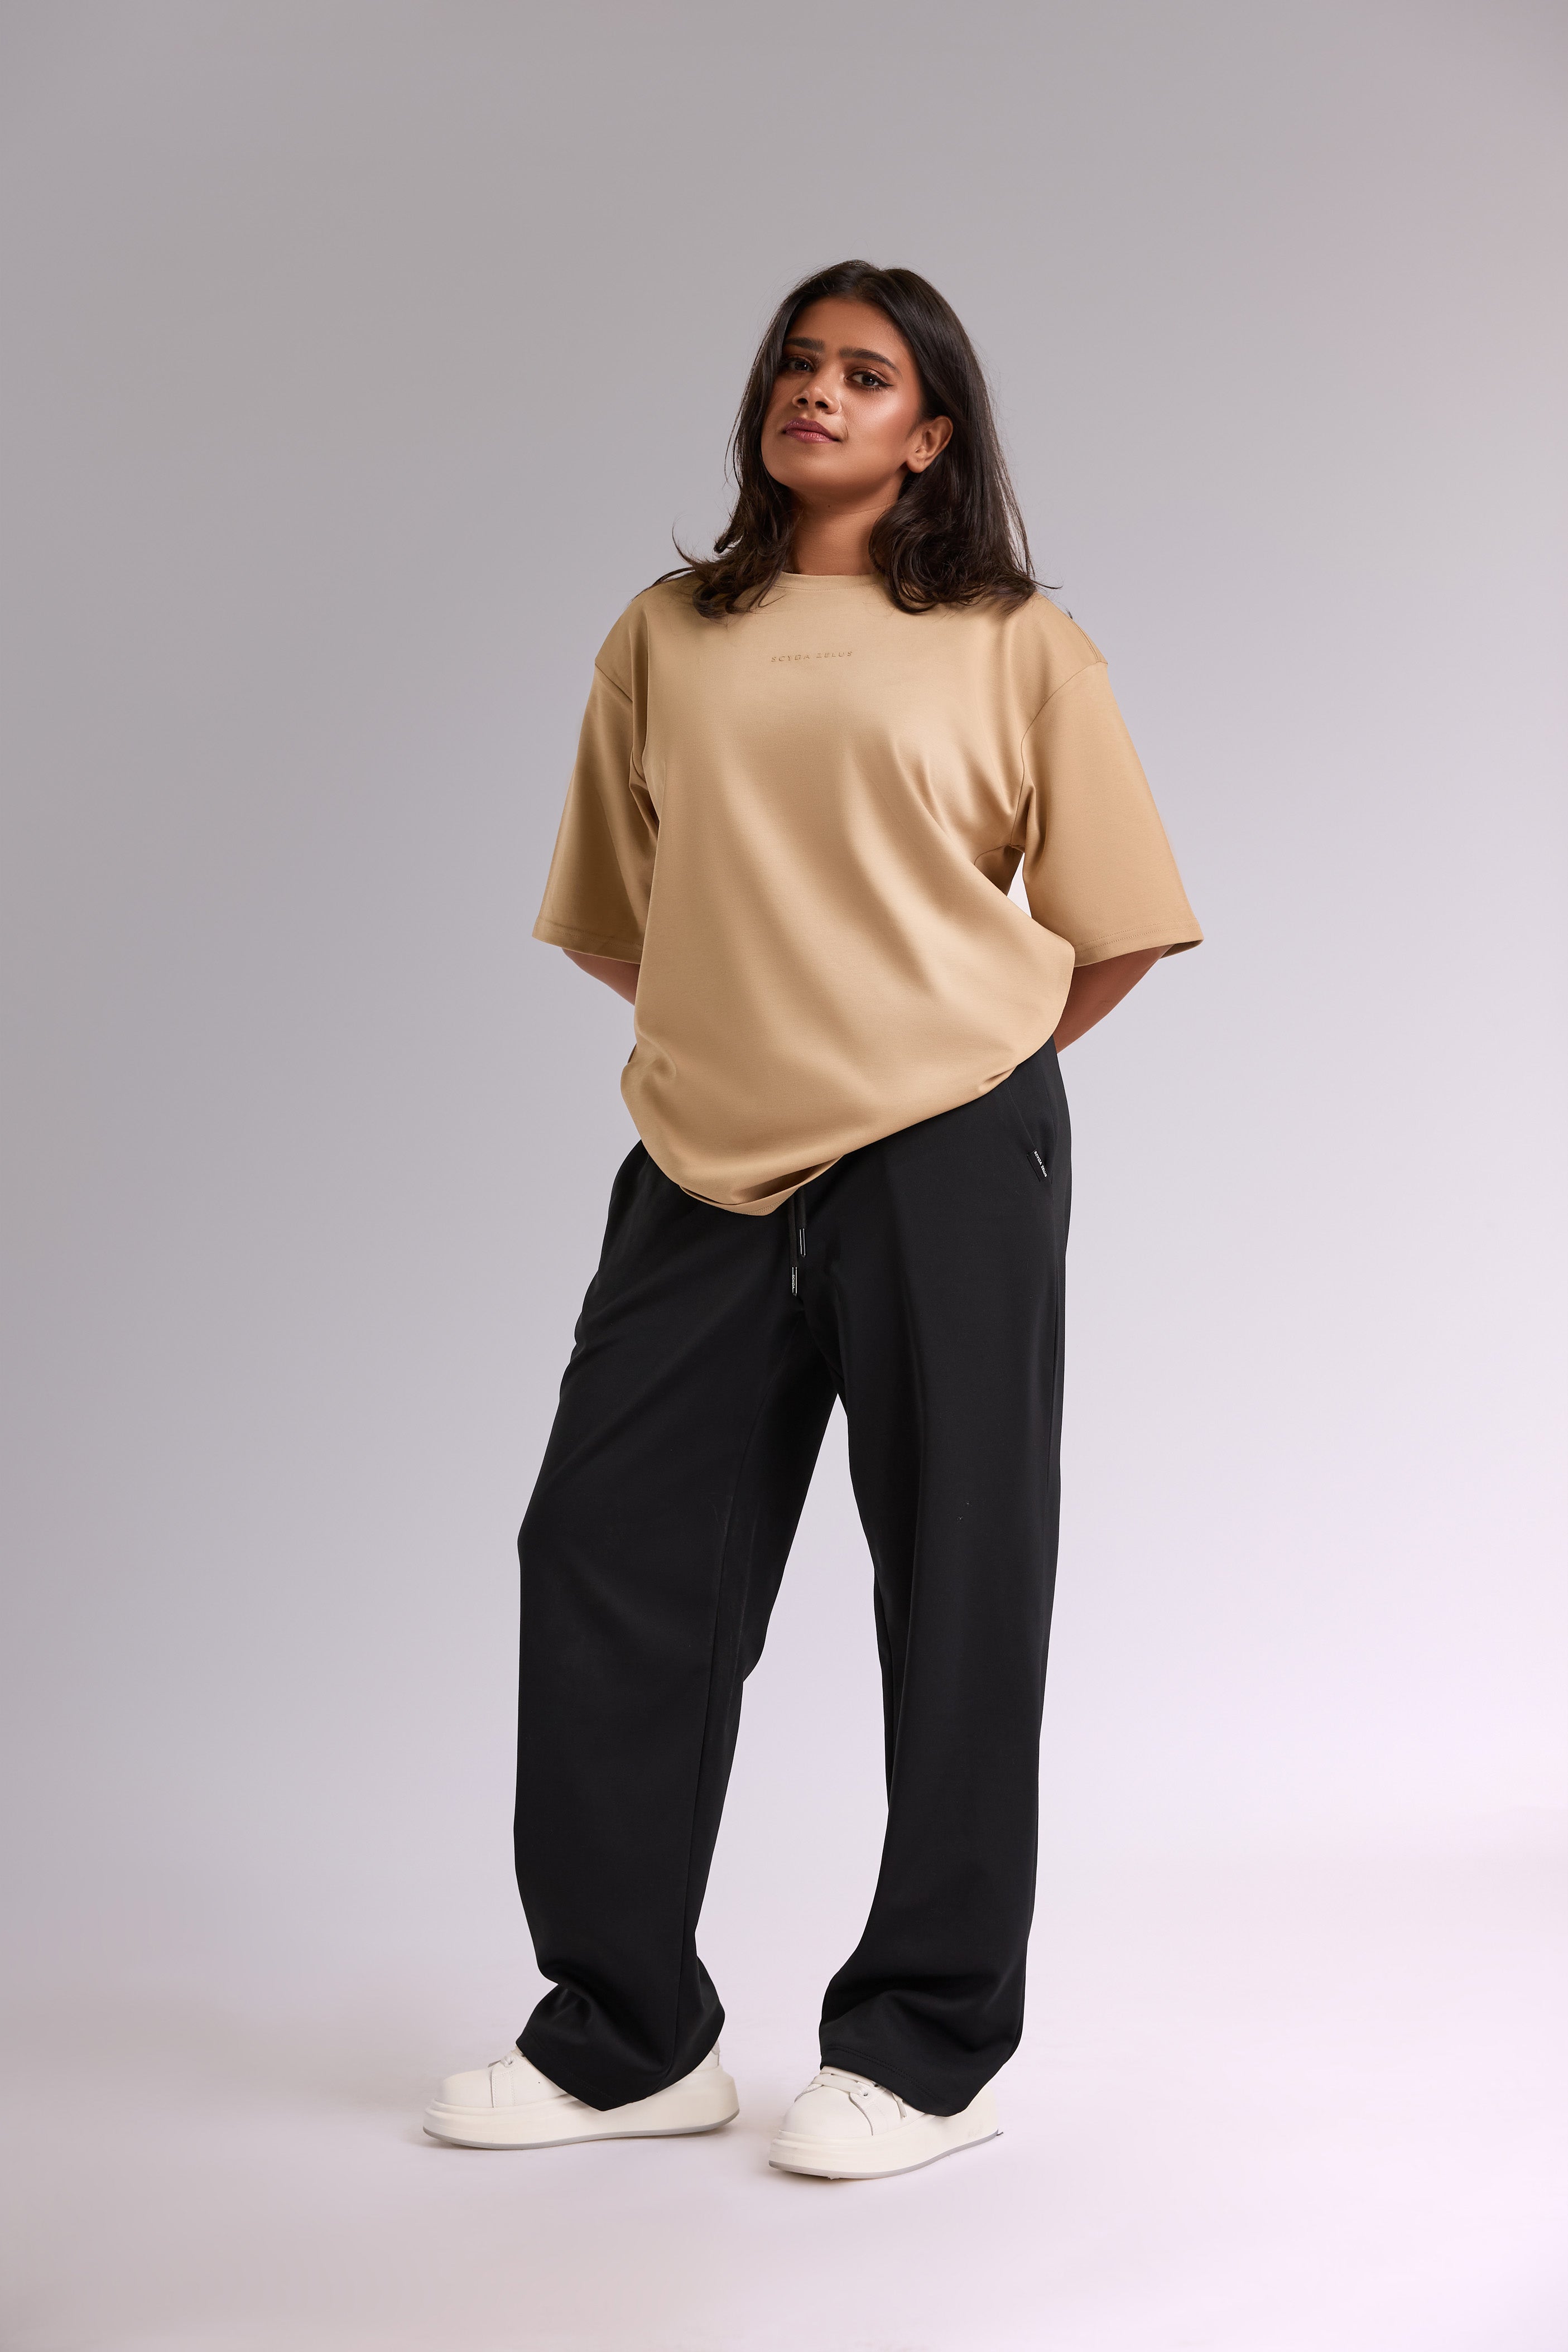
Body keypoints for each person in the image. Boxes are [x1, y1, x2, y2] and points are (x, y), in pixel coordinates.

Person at [422, 260, 1202, 2181]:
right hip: (700, 1161)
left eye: (865, 374)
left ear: (929, 434)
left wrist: (939, 1064)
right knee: (602, 1554)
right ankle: (626, 2037)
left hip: (949, 1156)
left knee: (957, 1577)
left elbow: (1109, 930)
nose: (819, 392)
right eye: (798, 362)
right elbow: (616, 918)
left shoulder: (1017, 643)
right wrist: (756, 1043)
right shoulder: (666, 635)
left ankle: (926, 2048)